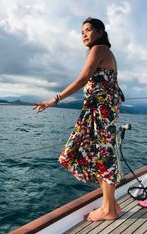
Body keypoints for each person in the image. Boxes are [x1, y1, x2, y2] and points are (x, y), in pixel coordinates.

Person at [33, 17, 125, 222]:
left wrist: (53, 100)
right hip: (101, 110)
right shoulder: (103, 51)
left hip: (100, 112)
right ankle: (112, 206)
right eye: (81, 31)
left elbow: (82, 79)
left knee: (102, 156)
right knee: (100, 154)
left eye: (88, 30)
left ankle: (108, 210)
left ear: (100, 32)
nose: (83, 34)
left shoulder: (99, 48)